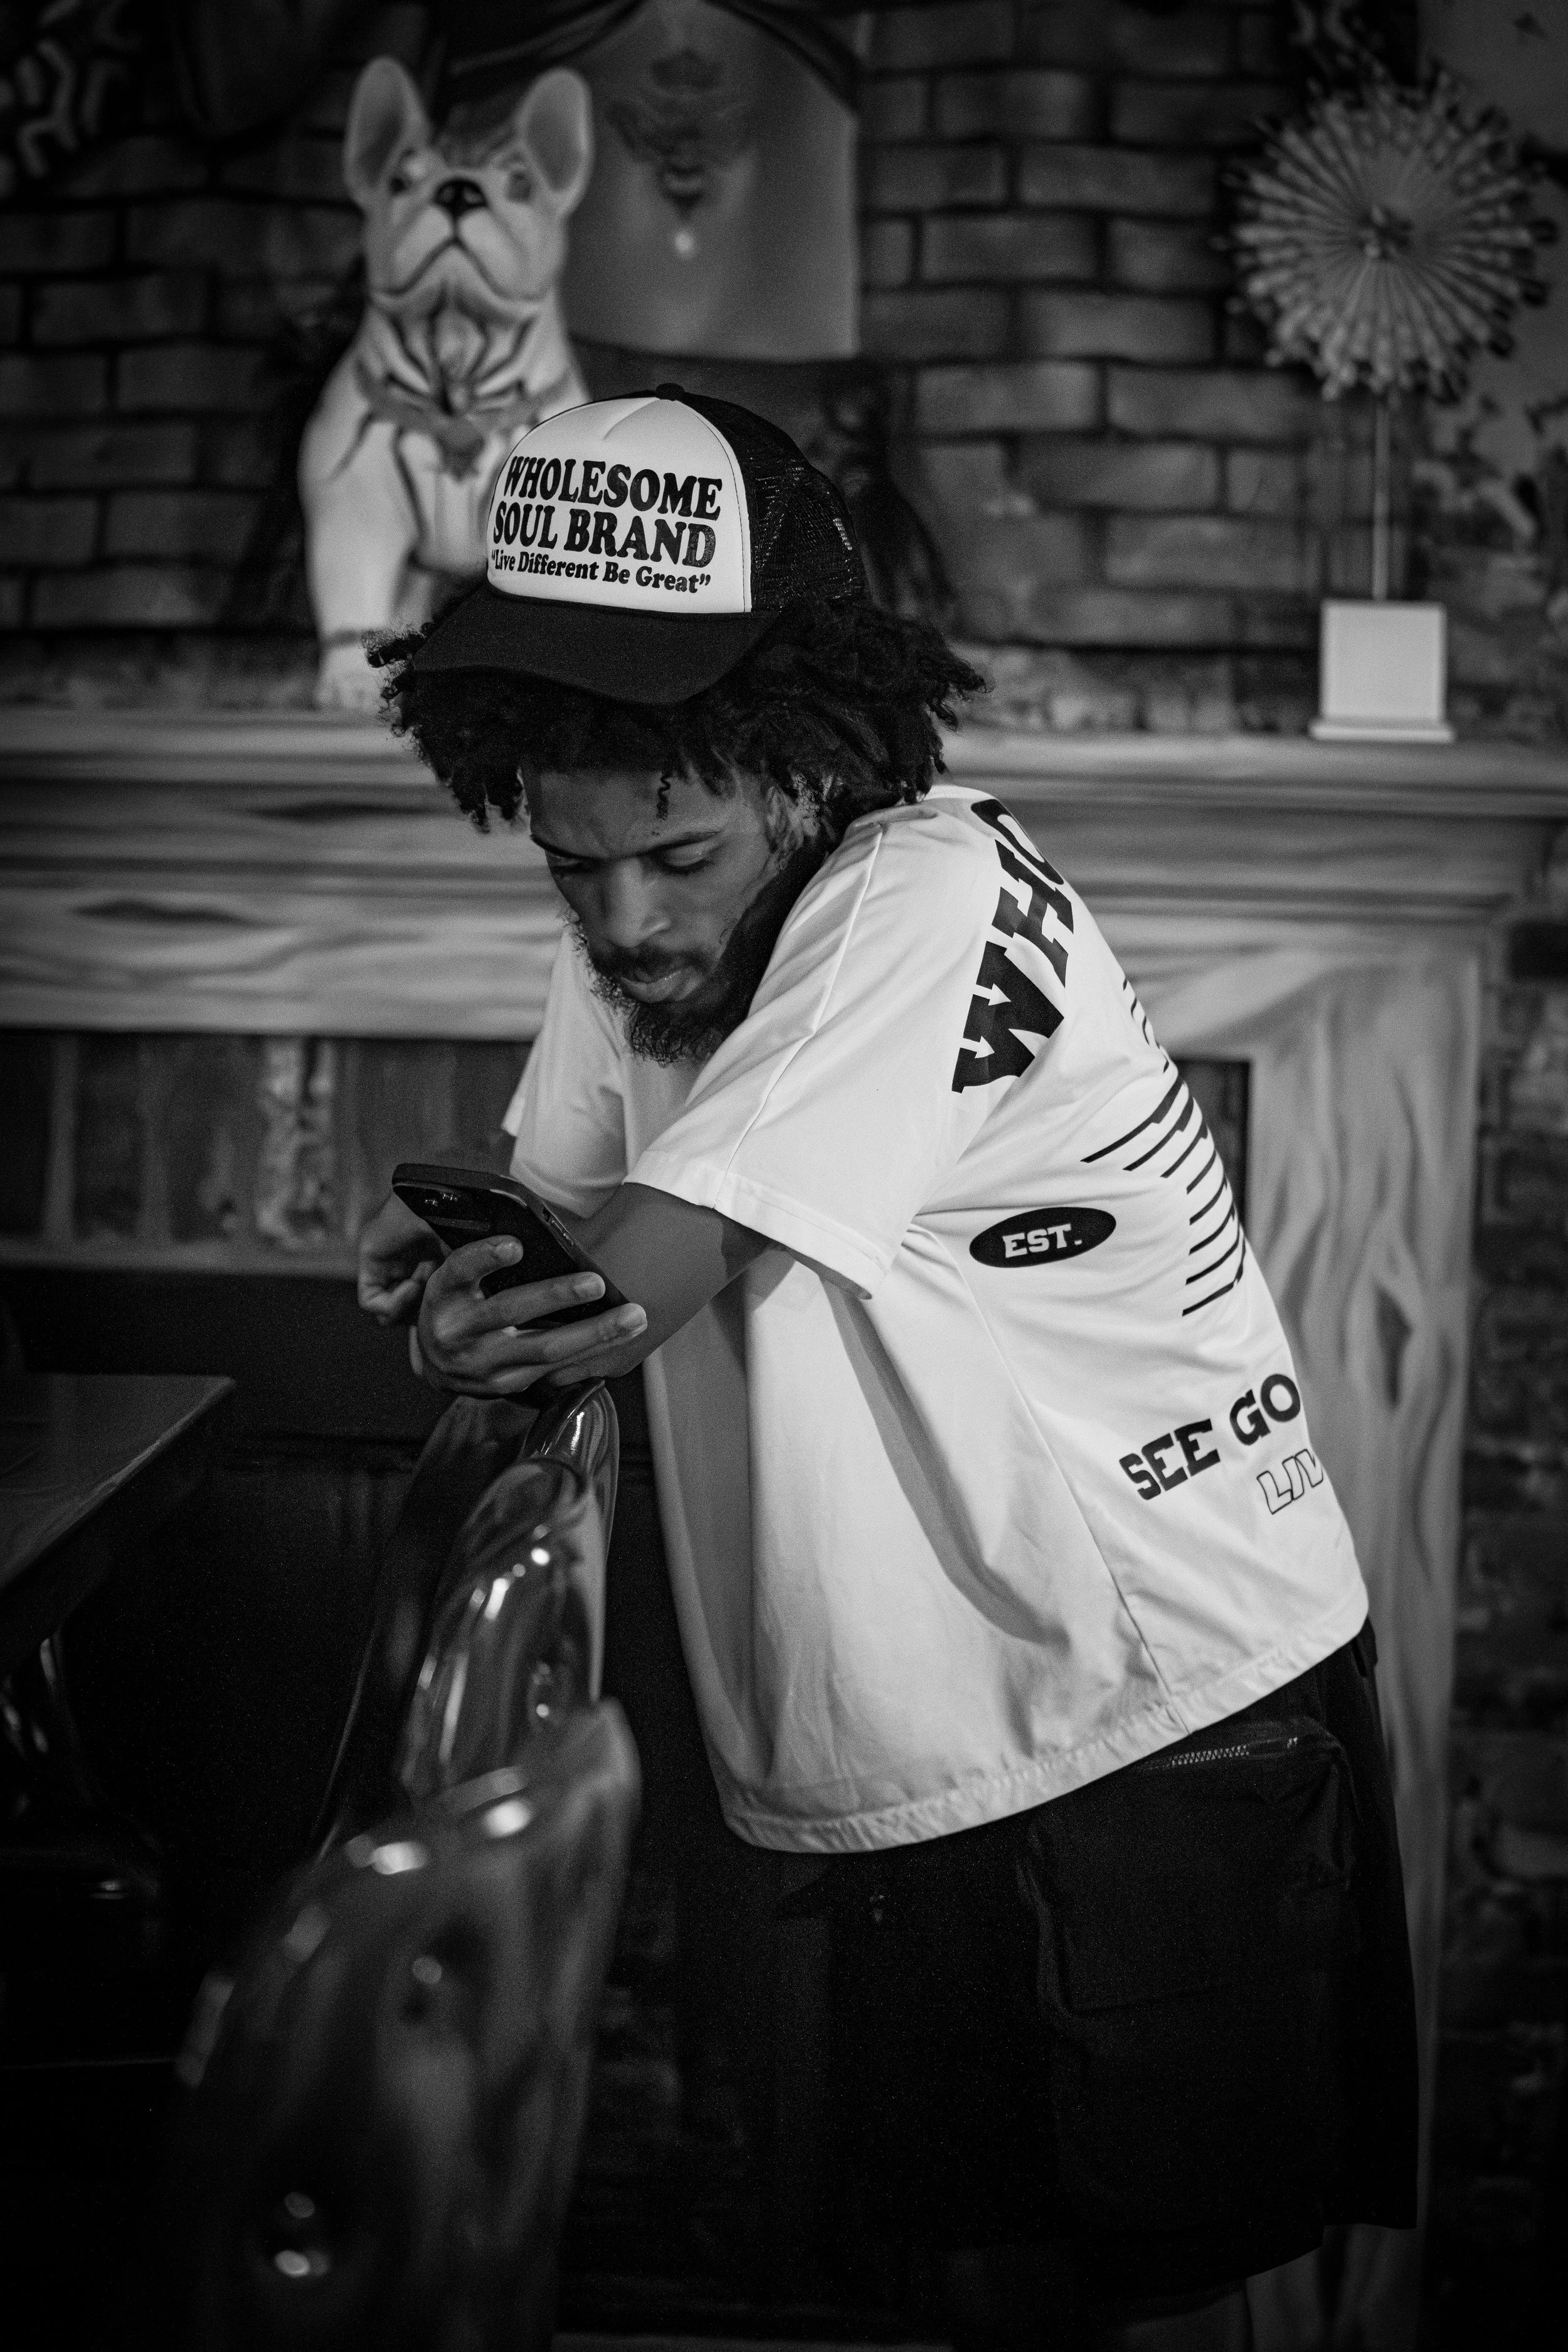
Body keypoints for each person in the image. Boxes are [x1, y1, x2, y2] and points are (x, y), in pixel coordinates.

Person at [356, 387, 1417, 2350]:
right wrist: (453, 1278)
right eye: (573, 869)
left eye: (672, 855)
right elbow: (550, 1212)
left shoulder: (920, 895)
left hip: (1145, 1702)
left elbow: (626, 1281)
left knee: (1108, 2307)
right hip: (917, 1703)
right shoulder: (639, 934)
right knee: (947, 2288)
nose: (624, 920)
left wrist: (525, 1296)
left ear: (806, 759)